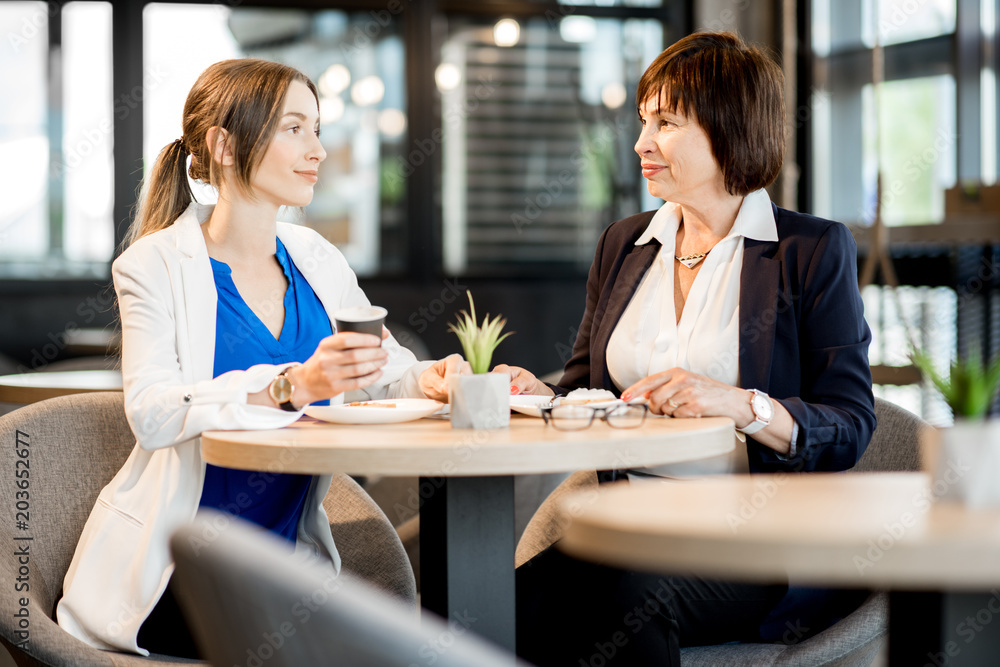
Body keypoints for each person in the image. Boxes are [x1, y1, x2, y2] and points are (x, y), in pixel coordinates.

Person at [56, 58, 467, 658]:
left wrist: (429, 377)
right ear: (224, 144)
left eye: (318, 129)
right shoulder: (153, 266)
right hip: (179, 574)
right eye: (294, 128)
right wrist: (292, 385)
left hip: (288, 567)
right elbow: (152, 411)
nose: (319, 150)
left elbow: (379, 370)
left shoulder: (316, 257)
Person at [511, 32, 876, 666]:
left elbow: (850, 424)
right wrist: (540, 398)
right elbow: (583, 392)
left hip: (759, 544)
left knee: (621, 599)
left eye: (666, 123)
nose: (641, 144)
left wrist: (743, 405)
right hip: (627, 528)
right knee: (476, 605)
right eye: (642, 121)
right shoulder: (625, 244)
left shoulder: (810, 250)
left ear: (731, 128)